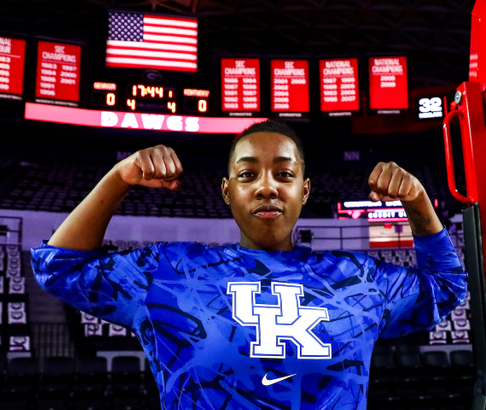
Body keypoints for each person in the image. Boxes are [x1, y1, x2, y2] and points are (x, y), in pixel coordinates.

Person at [31, 120, 467, 410]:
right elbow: (58, 268)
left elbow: (447, 286)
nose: (266, 188)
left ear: (305, 189)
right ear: (226, 191)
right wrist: (118, 177)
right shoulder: (168, 271)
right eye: (247, 175)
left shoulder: (359, 277)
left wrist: (417, 202)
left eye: (283, 173)